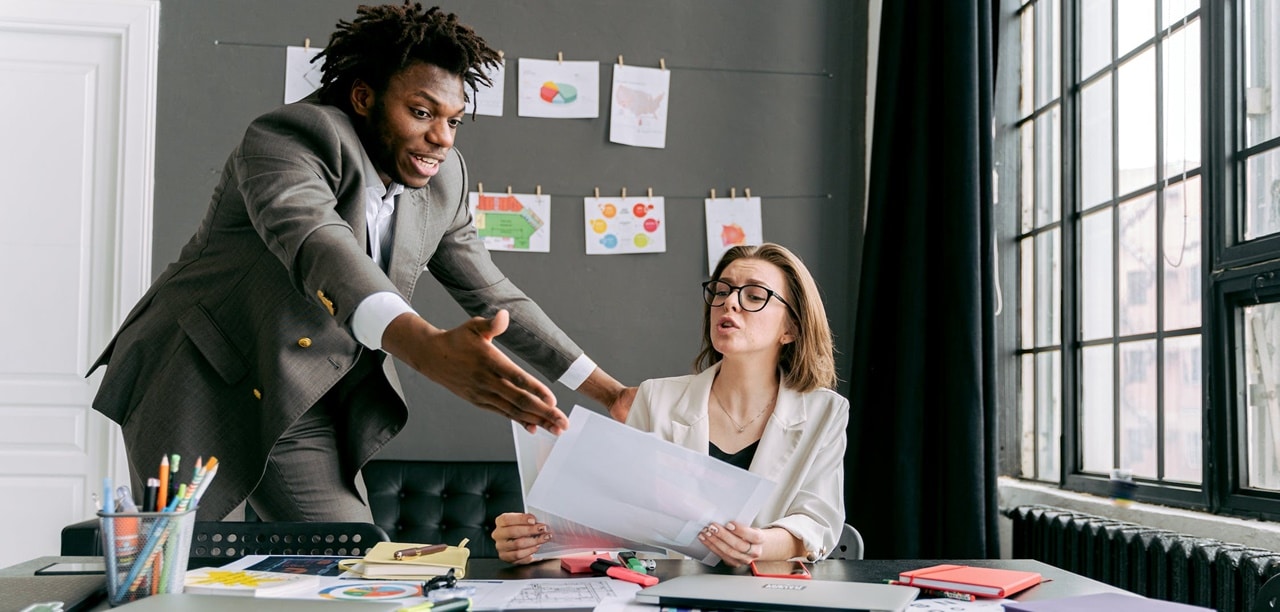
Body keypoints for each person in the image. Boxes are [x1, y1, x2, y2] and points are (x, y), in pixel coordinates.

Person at [87, 3, 632, 522]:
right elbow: (321, 246)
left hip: (301, 394)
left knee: (349, 565)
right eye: (421, 112)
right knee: (179, 569)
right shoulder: (288, 140)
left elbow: (494, 292)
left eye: (454, 120)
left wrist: (610, 393)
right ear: (365, 97)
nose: (441, 138)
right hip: (198, 377)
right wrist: (423, 347)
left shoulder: (445, 181)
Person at [493, 243, 847, 567]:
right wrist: (535, 542)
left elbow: (818, 521)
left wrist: (762, 545)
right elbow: (617, 524)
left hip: (768, 591)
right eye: (721, 291)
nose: (730, 302)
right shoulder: (655, 398)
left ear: (792, 329)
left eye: (754, 295)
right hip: (666, 590)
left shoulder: (824, 413)